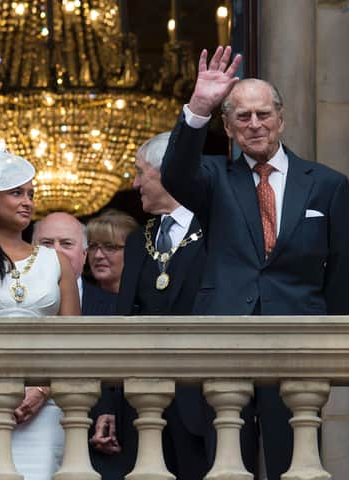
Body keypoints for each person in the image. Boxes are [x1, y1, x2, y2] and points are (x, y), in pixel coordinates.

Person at [160, 46, 349, 480]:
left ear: (280, 119)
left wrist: (318, 323)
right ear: (229, 129)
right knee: (228, 464)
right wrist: (198, 107)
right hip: (224, 342)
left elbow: (346, 269)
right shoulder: (214, 179)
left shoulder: (326, 184)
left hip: (296, 344)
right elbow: (175, 174)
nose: (255, 124)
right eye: (243, 117)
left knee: (296, 463)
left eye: (263, 114)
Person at [89, 132, 211, 480]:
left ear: (168, 173)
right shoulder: (138, 244)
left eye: (142, 172)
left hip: (202, 404)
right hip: (141, 408)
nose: (135, 182)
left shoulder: (216, 230)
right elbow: (123, 326)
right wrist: (111, 404)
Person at [0, 142, 79, 480]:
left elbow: (74, 341)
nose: (27, 202)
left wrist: (41, 389)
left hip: (45, 403)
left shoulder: (56, 261)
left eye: (30, 194)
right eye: (16, 193)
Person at [33, 212, 115, 315]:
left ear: (84, 254)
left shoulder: (115, 306)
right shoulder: (13, 299)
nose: (56, 251)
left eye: (66, 244)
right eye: (46, 243)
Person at [85, 209, 138, 295]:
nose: (98, 255)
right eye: (92, 246)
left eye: (110, 247)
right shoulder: (79, 299)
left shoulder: (148, 301)